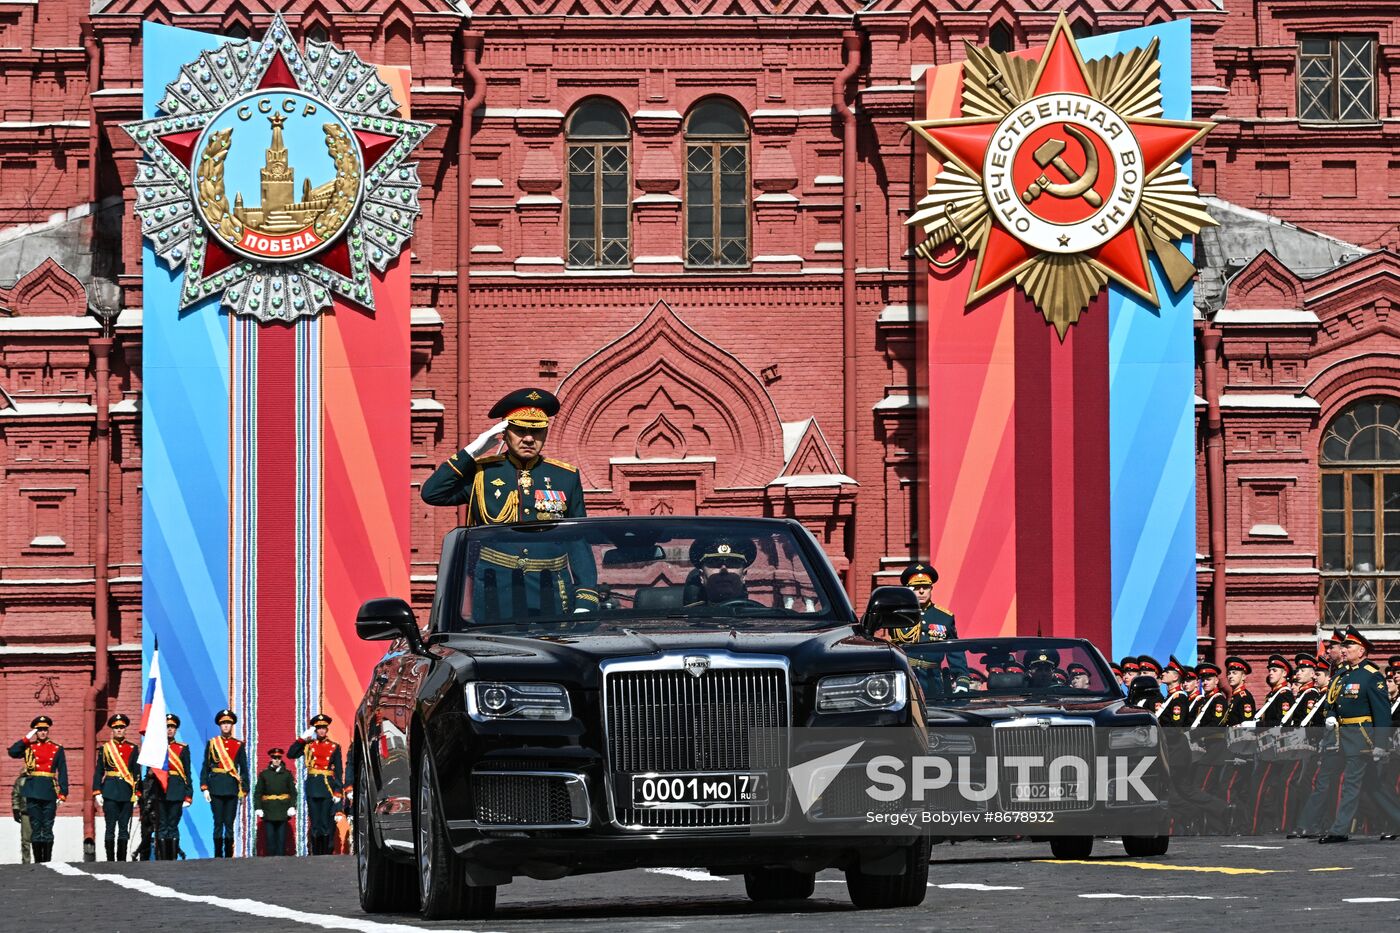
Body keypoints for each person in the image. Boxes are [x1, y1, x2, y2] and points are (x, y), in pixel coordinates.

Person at [422, 388, 599, 618]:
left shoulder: (565, 476)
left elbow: (577, 539)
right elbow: (432, 493)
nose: (528, 438)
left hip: (551, 591)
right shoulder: (482, 474)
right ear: (504, 433)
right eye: (519, 430)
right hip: (495, 588)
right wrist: (473, 450)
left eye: (536, 431)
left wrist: (585, 596)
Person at [1318, 626, 1400, 843]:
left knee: (1351, 783)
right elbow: (1337, 702)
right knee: (1375, 786)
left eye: (1349, 645)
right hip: (1343, 737)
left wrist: (1380, 744)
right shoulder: (1345, 675)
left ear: (1361, 650)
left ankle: (1339, 830)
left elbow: (1382, 714)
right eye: (1344, 645)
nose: (1344, 649)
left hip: (1363, 739)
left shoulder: (1371, 676)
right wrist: (1332, 715)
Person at [7, 715, 67, 863]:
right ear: (35, 731)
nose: (42, 732)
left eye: (45, 730)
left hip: (49, 790)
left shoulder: (57, 748)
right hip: (32, 790)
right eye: (39, 730)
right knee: (35, 827)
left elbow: (63, 772)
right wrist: (27, 737)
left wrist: (63, 793)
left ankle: (47, 860)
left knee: (47, 827)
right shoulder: (29, 747)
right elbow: (13, 752)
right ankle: (38, 862)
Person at [288, 713, 343, 855]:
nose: (321, 731)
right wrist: (301, 739)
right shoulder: (308, 745)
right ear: (315, 730)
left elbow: (339, 771)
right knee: (315, 823)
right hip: (313, 787)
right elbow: (291, 754)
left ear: (327, 729)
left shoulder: (334, 747)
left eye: (323, 728)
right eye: (318, 728)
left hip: (327, 787)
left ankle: (325, 852)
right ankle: (316, 853)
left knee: (325, 822)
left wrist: (338, 791)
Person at [200, 709, 249, 858]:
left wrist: (244, 789)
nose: (226, 726)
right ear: (219, 726)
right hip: (215, 787)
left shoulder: (238, 744)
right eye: (223, 723)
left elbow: (244, 769)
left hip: (232, 788)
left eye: (228, 723)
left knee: (229, 823)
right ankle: (217, 855)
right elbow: (206, 767)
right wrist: (205, 787)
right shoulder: (213, 743)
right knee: (217, 822)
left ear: (232, 725)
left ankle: (229, 855)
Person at [92, 713, 140, 862]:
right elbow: (99, 771)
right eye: (116, 728)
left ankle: (122, 860)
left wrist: (137, 792)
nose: (119, 730)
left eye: (121, 727)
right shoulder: (106, 748)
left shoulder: (132, 748)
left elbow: (136, 772)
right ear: (112, 730)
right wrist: (97, 791)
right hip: (110, 791)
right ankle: (110, 859)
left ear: (125, 729)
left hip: (126, 792)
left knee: (124, 829)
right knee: (110, 828)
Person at [155, 714, 193, 861]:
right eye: (167, 727)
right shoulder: (157, 747)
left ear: (176, 730)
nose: (170, 730)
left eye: (172, 727)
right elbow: (150, 772)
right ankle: (163, 858)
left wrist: (188, 795)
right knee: (162, 825)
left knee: (173, 825)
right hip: (160, 790)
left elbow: (187, 773)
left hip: (177, 790)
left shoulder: (182, 748)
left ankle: (173, 859)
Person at [254, 747, 296, 856]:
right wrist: (258, 807)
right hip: (268, 810)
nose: (276, 760)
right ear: (271, 758)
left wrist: (292, 806)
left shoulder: (287, 774)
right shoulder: (264, 774)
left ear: (281, 759)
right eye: (274, 757)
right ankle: (270, 863)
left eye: (278, 757)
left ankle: (282, 863)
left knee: (281, 840)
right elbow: (258, 793)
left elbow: (293, 792)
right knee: (270, 839)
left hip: (282, 810)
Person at [11, 772, 31, 864]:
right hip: (26, 812)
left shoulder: (43, 778)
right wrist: (16, 809)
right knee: (25, 840)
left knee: (40, 839)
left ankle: (42, 861)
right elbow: (16, 795)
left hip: (40, 813)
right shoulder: (21, 780)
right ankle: (26, 862)